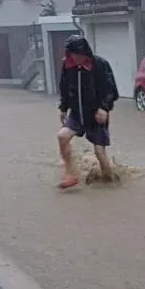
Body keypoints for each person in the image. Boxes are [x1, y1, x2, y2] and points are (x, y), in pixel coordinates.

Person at [56, 35, 119, 189]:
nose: (75, 58)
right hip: (77, 113)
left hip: (97, 114)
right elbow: (64, 88)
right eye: (72, 55)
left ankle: (110, 182)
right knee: (62, 136)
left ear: (85, 52)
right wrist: (63, 108)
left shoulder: (99, 64)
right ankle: (71, 174)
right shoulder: (67, 66)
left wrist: (104, 108)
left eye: (78, 55)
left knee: (99, 151)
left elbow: (111, 90)